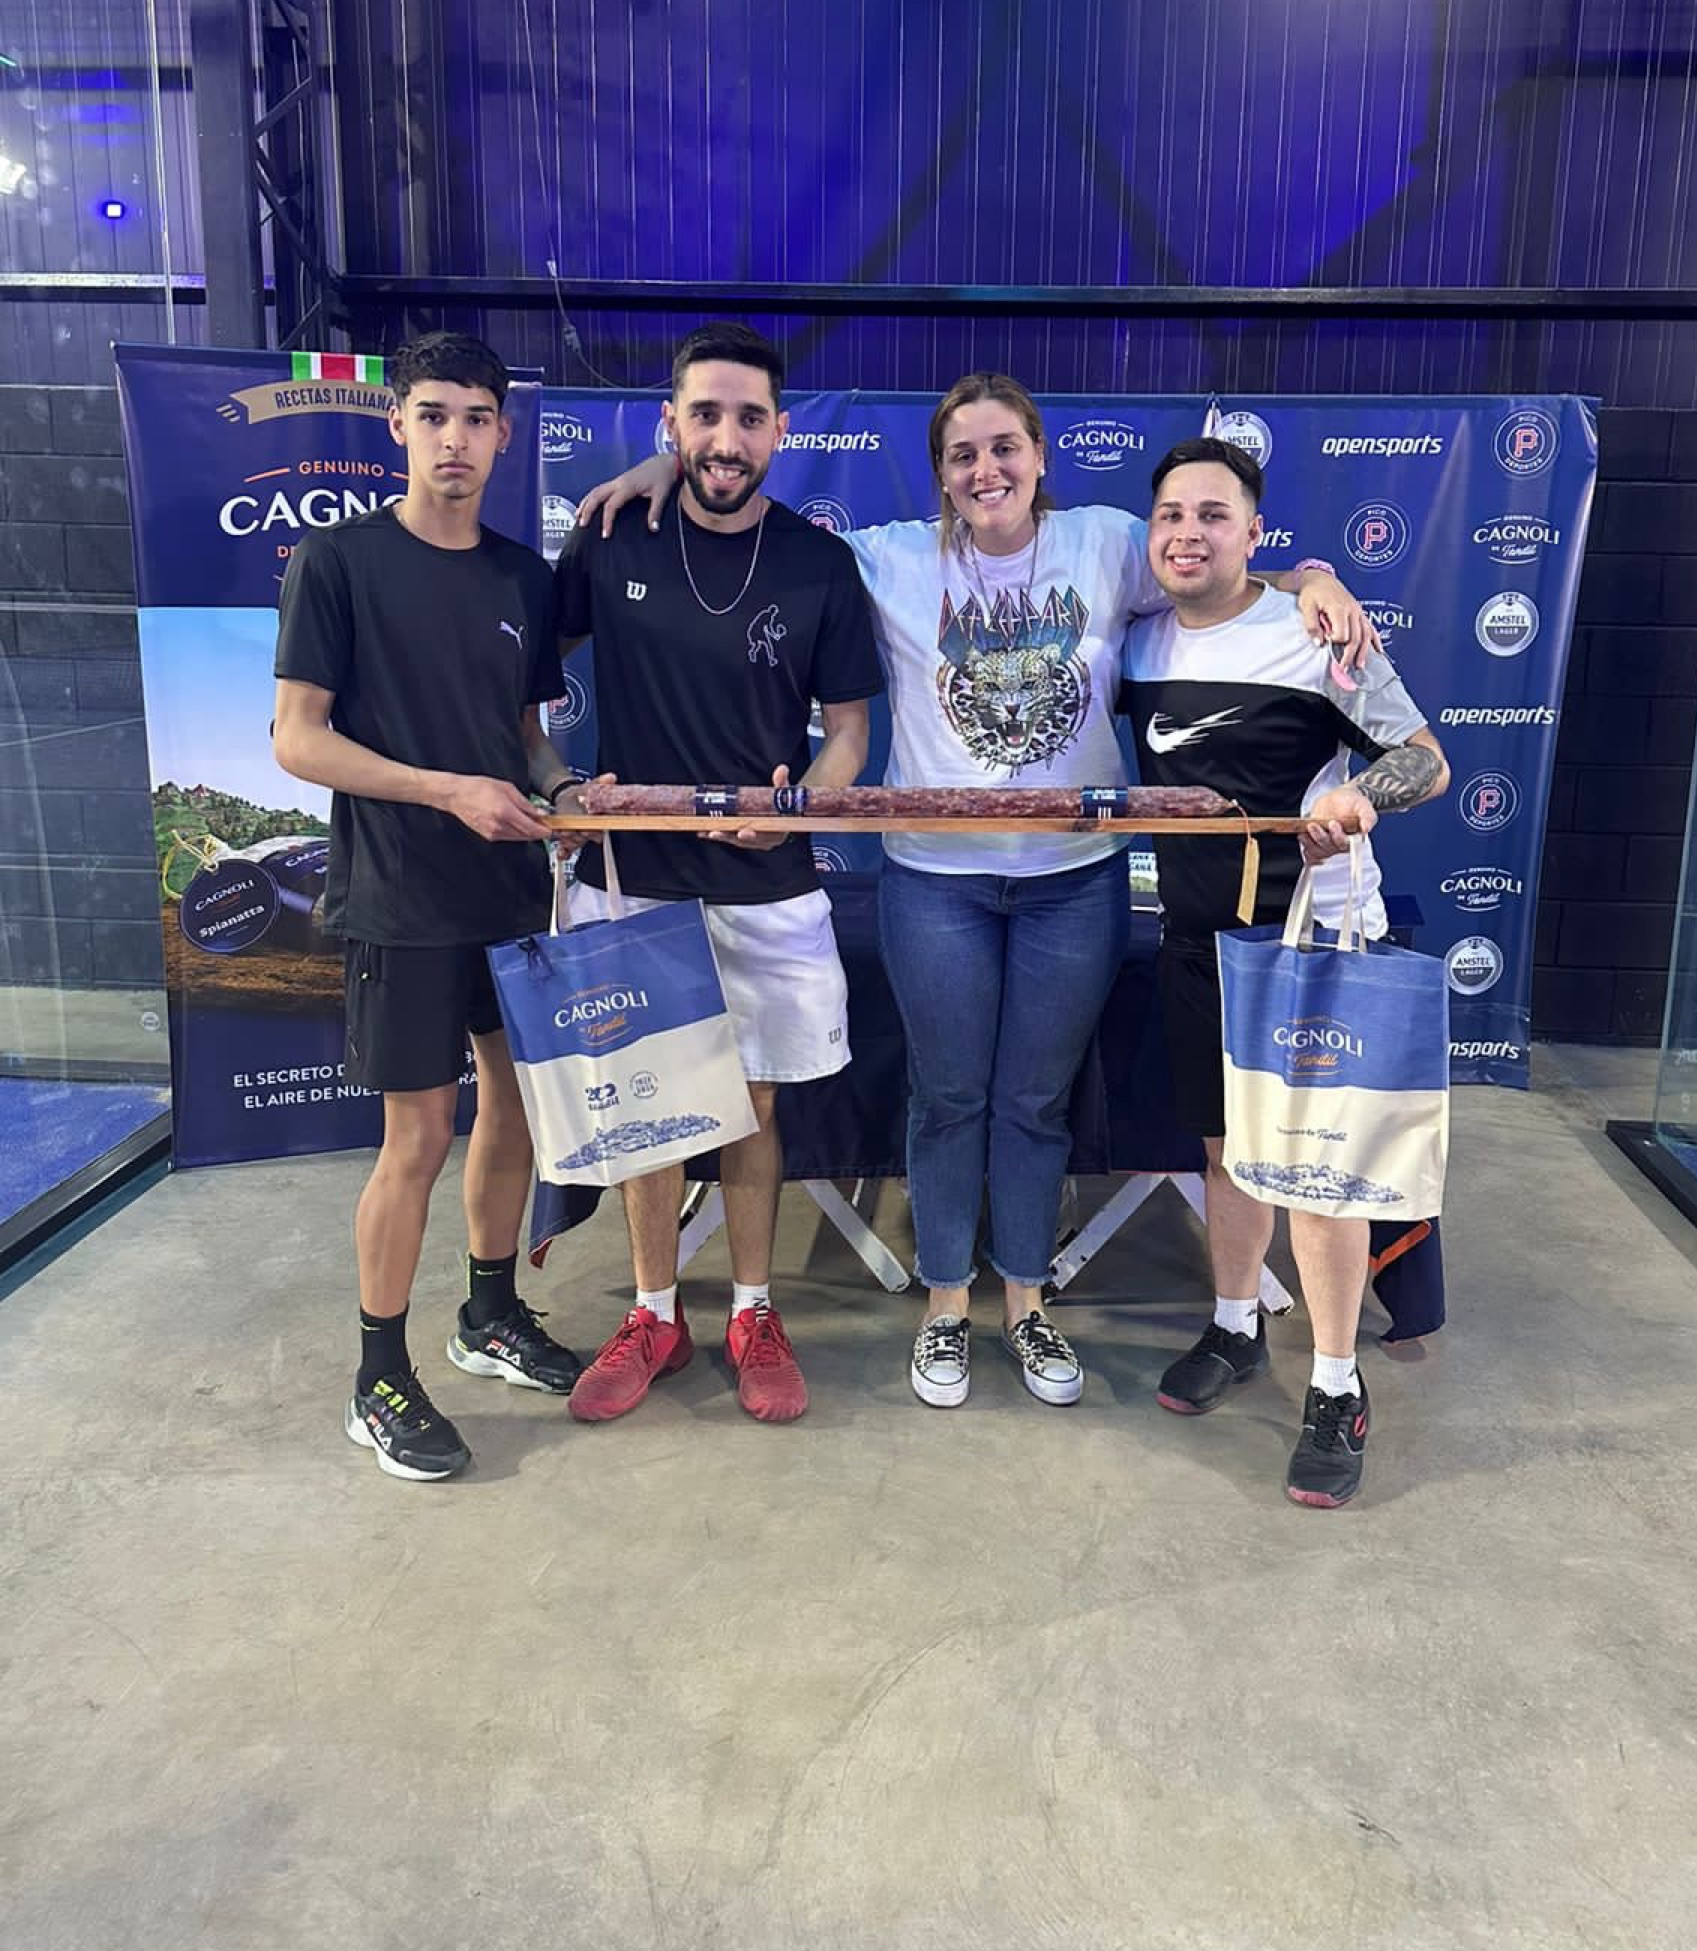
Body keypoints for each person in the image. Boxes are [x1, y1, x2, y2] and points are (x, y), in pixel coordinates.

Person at [578, 375, 1376, 1415]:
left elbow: (1213, 565)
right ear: (940, 474)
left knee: (1035, 1103)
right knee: (948, 1099)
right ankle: (948, 1304)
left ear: (1040, 457)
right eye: (963, 455)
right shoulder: (889, 558)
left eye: (1005, 449)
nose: (986, 470)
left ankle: (1027, 1304)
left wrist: (1308, 577)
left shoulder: (1105, 542)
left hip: (1072, 884)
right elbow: (755, 529)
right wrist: (666, 466)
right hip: (935, 883)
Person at [553, 324, 884, 1426]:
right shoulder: (609, 539)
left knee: (752, 1107)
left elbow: (848, 737)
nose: (726, 439)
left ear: (780, 431)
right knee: (644, 1107)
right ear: (671, 424)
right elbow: (516, 675)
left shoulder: (819, 563)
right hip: (631, 876)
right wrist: (555, 783)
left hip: (768, 884)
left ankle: (752, 1310)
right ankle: (654, 1313)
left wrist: (799, 805)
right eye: (704, 415)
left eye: (749, 418)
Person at [273, 332, 587, 1483]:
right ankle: (379, 1379)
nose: (456, 439)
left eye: (477, 418)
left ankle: (489, 1313)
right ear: (398, 424)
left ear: (504, 434)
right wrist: (447, 791)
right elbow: (298, 739)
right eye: (435, 415)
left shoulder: (523, 578)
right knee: (416, 1139)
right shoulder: (337, 561)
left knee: (515, 1109)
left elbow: (524, 735)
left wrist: (564, 790)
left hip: (509, 895)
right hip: (399, 897)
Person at [1119, 436, 1450, 1508]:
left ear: (1253, 532)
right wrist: (1313, 570)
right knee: (1226, 1155)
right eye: (1172, 516)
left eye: (1214, 516)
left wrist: (1358, 799)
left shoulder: (1316, 636)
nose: (1188, 535)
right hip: (1198, 941)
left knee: (1319, 1175)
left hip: (1314, 945)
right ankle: (1235, 1327)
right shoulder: (1138, 640)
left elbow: (1425, 759)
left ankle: (1337, 1385)